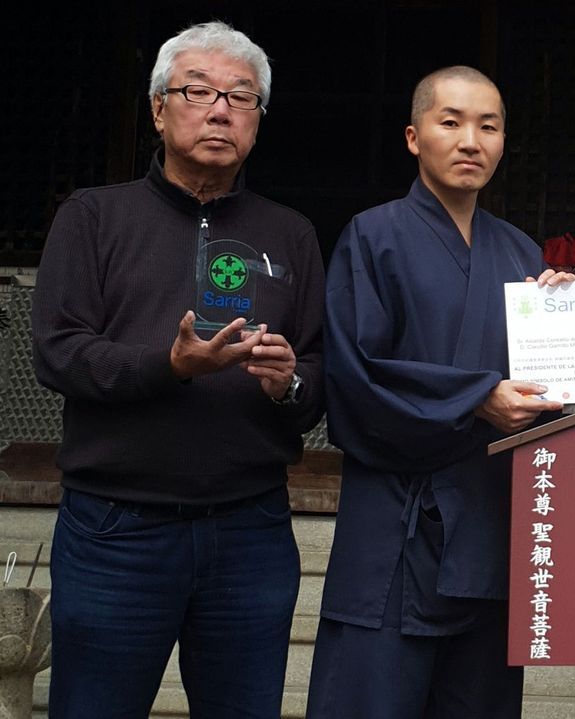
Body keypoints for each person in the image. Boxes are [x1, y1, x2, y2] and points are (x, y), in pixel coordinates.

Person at [31, 21, 324, 718]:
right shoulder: (94, 217)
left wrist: (288, 381)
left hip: (250, 531)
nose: (220, 110)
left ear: (258, 119)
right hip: (116, 530)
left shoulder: (290, 233)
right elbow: (59, 351)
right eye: (199, 91)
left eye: (241, 97)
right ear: (160, 109)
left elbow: (319, 377)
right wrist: (169, 365)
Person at [308, 66, 575, 718]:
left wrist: (568, 322)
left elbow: (546, 389)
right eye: (450, 121)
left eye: (488, 126)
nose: (470, 140)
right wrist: (478, 396)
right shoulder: (372, 236)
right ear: (413, 136)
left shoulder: (519, 253)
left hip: (490, 529)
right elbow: (356, 377)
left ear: (504, 141)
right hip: (394, 537)